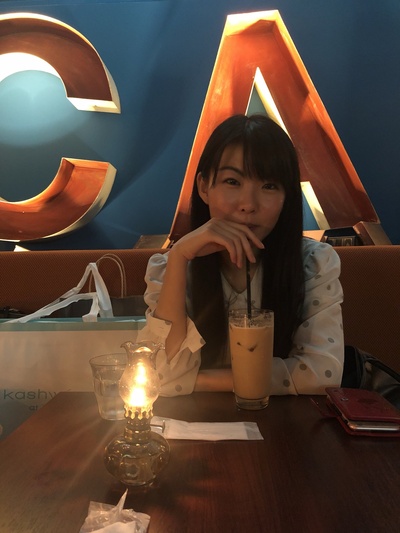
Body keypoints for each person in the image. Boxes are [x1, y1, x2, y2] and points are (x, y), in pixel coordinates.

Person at [137, 114, 344, 396]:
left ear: (287, 197)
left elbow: (320, 375)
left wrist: (192, 382)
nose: (248, 204)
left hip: (283, 420)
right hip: (193, 422)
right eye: (232, 181)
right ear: (204, 187)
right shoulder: (169, 268)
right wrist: (179, 257)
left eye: (269, 186)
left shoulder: (314, 263)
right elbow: (159, 371)